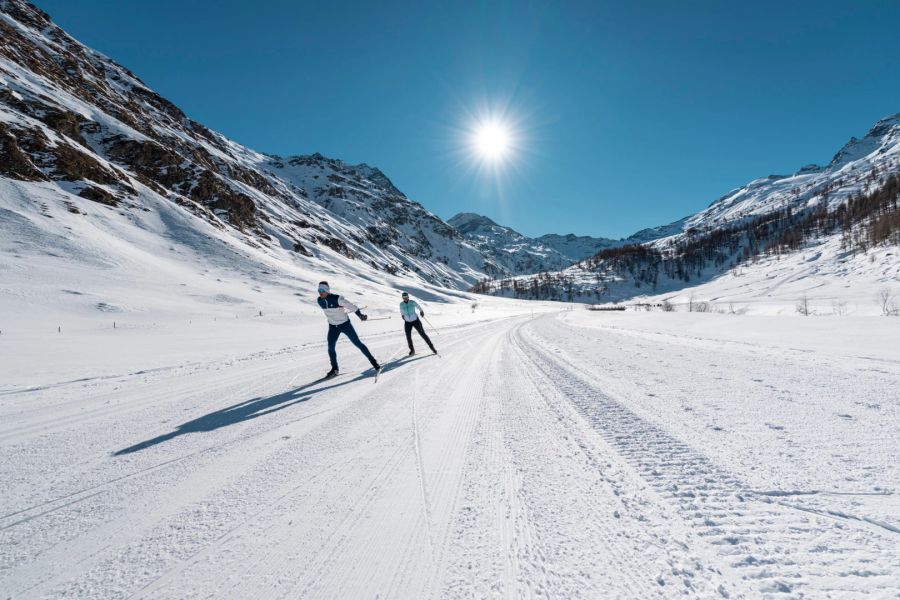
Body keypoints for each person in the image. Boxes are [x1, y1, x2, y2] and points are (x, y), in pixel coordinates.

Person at [316, 281, 380, 379]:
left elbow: (352, 307)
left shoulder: (337, 299)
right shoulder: (319, 300)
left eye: (322, 290)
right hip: (333, 327)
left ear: (327, 290)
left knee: (358, 343)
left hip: (345, 325)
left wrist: (360, 315)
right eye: (319, 290)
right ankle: (335, 369)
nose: (320, 292)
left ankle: (374, 363)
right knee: (330, 347)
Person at [399, 291, 437, 356]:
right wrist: (402, 315)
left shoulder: (412, 302)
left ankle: (432, 347)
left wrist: (421, 311)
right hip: (407, 322)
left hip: (415, 320)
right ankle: (412, 350)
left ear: (408, 297)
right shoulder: (401, 304)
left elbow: (418, 306)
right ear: (402, 298)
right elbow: (401, 310)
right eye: (403, 297)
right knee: (408, 336)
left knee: (422, 334)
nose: (405, 298)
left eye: (406, 297)